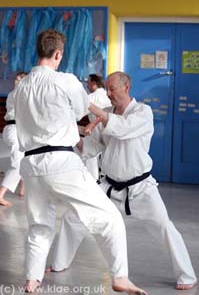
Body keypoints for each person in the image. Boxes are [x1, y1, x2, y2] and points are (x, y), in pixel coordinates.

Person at [13, 29, 147, 295]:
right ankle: (120, 277)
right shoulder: (66, 80)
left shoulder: (22, 86)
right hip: (61, 161)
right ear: (58, 54)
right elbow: (79, 110)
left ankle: (31, 280)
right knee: (109, 218)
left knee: (40, 226)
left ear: (37, 50)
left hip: (31, 165)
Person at [48, 71, 197, 291]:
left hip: (140, 188)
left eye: (112, 89)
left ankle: (187, 275)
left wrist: (87, 103)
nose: (108, 94)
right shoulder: (106, 113)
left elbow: (122, 128)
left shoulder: (142, 112)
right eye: (106, 89)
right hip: (108, 186)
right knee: (74, 216)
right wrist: (69, 135)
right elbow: (92, 147)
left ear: (126, 87)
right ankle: (59, 263)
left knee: (165, 227)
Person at [0, 72, 26, 206]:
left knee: (25, 158)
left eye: (19, 79)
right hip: (14, 129)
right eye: (16, 79)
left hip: (16, 129)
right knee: (17, 164)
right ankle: (1, 194)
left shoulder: (16, 93)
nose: (16, 81)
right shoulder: (18, 93)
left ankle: (23, 188)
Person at [85, 74, 111, 180]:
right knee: (106, 153)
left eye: (88, 83)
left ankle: (93, 180)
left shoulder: (91, 97)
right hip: (108, 128)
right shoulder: (107, 95)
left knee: (91, 155)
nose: (87, 86)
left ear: (93, 83)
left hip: (95, 128)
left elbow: (78, 113)